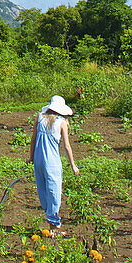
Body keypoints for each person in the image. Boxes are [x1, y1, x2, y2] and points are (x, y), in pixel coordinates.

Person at [28, 95, 79, 236]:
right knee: (54, 192)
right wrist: (73, 165)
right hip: (51, 162)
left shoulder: (40, 117)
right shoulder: (62, 123)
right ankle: (54, 226)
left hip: (38, 159)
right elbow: (67, 146)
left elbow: (33, 139)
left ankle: (50, 225)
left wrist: (31, 157)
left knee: (43, 189)